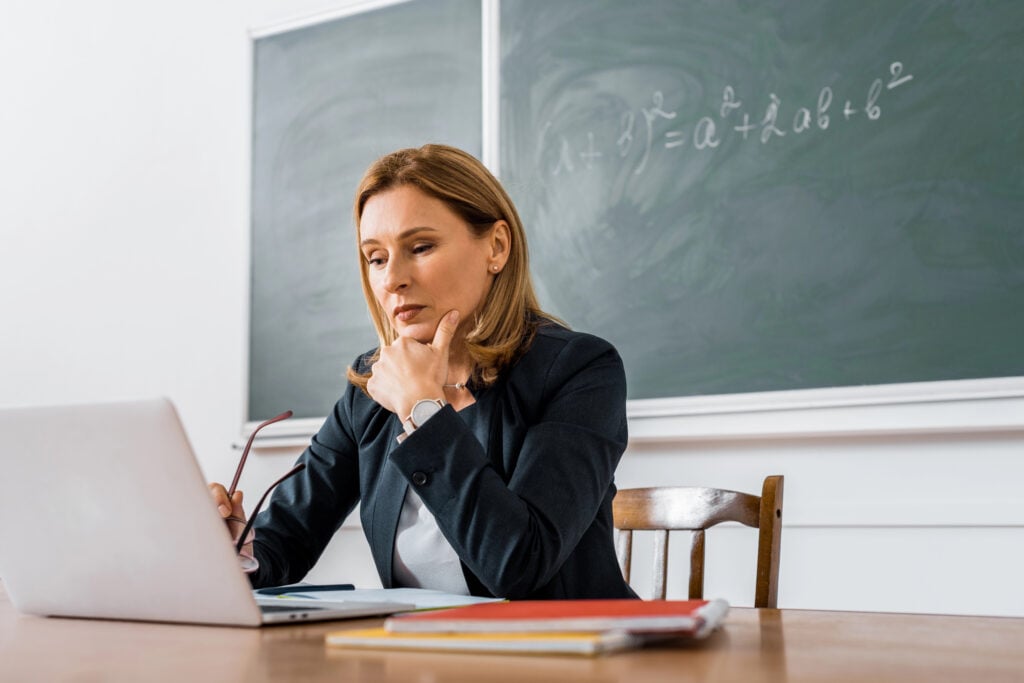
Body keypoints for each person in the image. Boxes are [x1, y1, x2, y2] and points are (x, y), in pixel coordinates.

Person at [210, 144, 636, 600]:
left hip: (561, 658)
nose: (392, 279)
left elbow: (519, 566)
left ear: (496, 247)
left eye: (421, 247)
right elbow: (285, 540)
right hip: (423, 659)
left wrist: (423, 410)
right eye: (376, 257)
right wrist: (234, 549)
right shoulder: (369, 389)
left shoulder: (579, 370)